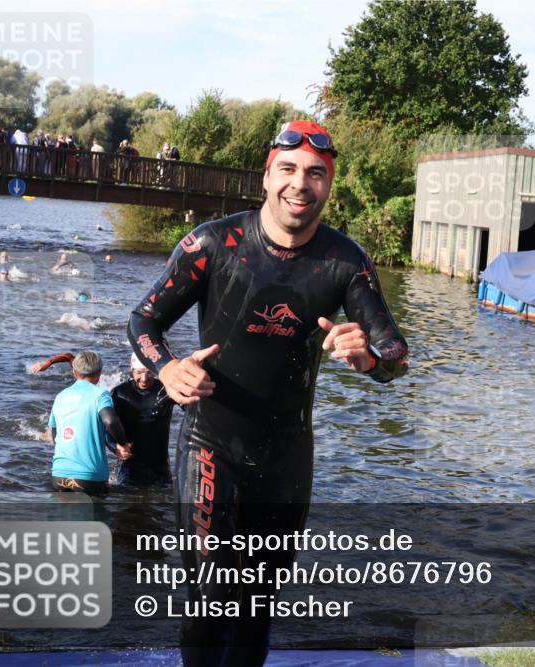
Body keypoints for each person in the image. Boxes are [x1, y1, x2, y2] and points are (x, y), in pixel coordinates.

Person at [127, 119, 408, 666]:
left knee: (257, 605)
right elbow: (143, 319)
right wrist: (166, 370)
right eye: (288, 170)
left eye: (316, 174)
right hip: (210, 446)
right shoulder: (212, 243)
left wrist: (370, 357)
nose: (300, 185)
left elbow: (396, 356)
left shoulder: (345, 262)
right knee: (207, 598)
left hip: (286, 457)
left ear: (329, 184)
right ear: (266, 176)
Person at [44, 351, 132, 495]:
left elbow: (54, 434)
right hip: (89, 478)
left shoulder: (60, 396)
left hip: (58, 475)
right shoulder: (100, 395)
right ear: (100, 373)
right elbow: (110, 421)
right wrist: (123, 444)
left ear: (74, 372)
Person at [111, 354, 176, 485]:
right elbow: (105, 427)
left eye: (149, 372)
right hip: (129, 468)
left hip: (160, 467)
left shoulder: (167, 390)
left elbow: (192, 408)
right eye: (139, 372)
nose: (144, 378)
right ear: (131, 369)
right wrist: (115, 447)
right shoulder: (119, 393)